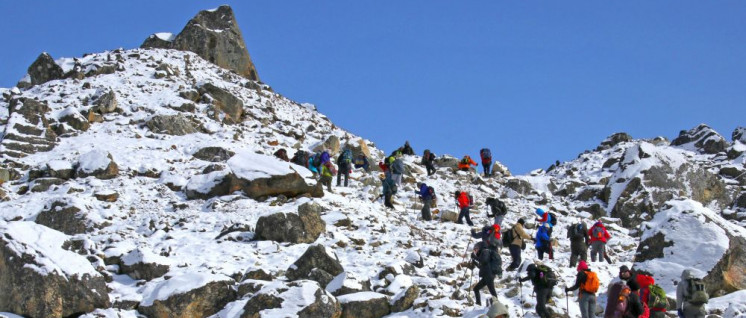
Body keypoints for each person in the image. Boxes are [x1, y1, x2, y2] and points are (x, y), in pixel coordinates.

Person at [471, 240, 501, 306]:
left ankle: (497, 305)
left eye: (476, 249)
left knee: (492, 291)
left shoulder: (485, 251)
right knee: (476, 289)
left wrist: (475, 257)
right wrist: (475, 262)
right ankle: (478, 304)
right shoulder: (484, 253)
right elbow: (482, 266)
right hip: (487, 275)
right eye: (475, 250)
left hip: (489, 275)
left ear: (480, 247)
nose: (475, 251)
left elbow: (484, 261)